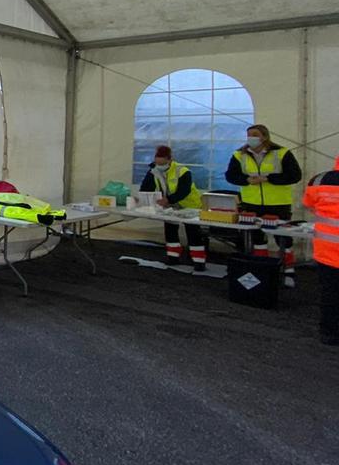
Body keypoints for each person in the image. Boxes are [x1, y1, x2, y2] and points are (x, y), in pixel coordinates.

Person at [225, 124, 303, 286]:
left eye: (255, 134)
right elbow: (231, 176)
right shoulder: (239, 155)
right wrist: (246, 180)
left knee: (283, 238)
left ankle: (288, 271)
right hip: (251, 202)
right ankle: (261, 268)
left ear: (265, 136)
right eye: (248, 135)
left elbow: (295, 175)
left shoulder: (282, 153)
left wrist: (269, 178)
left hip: (278, 203)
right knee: (257, 237)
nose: (251, 138)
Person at [140, 145, 208, 271]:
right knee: (170, 230)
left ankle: (199, 261)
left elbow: (184, 191)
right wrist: (142, 197)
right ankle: (173, 257)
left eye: (162, 163)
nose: (159, 166)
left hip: (190, 205)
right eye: (157, 163)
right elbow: (145, 187)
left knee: (193, 233)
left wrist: (168, 200)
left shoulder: (182, 171)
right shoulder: (154, 170)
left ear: (170, 160)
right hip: (170, 206)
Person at [303, 154, 339, 346]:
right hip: (328, 249)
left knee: (330, 294)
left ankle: (329, 333)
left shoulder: (320, 179)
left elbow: (309, 204)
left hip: (327, 250)